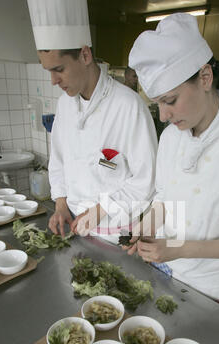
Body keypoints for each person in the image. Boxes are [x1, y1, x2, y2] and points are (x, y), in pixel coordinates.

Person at [125, 13, 219, 313]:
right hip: (163, 277)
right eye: (158, 104)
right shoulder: (171, 137)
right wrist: (147, 225)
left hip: (212, 294)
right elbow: (164, 196)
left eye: (170, 100)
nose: (164, 116)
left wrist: (178, 249)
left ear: (205, 77)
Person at [27, 0, 157, 242]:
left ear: (85, 54)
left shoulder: (128, 107)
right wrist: (61, 204)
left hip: (114, 234)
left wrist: (101, 211)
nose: (53, 81)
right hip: (74, 228)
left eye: (59, 69)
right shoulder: (65, 103)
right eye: (49, 72)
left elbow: (145, 181)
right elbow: (59, 159)